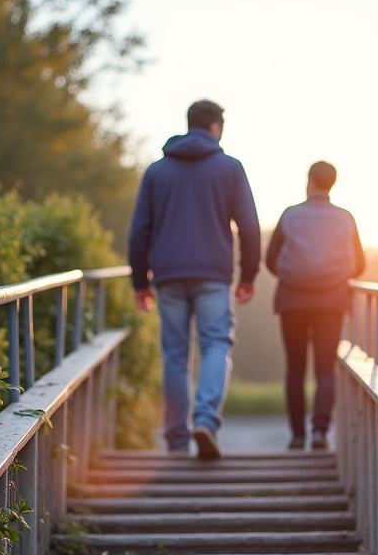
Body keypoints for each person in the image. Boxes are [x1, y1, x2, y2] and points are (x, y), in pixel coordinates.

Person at [128, 100, 261, 458]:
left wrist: (140, 281)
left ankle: (176, 439)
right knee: (216, 344)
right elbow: (249, 226)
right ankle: (204, 420)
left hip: (168, 275)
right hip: (213, 274)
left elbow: (140, 231)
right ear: (216, 127)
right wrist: (249, 274)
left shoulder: (157, 171)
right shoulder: (230, 168)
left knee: (175, 356)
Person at [265, 161, 365, 450]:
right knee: (324, 369)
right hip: (331, 303)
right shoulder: (345, 218)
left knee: (295, 368)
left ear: (309, 181)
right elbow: (359, 264)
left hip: (292, 301)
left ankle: (297, 436)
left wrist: (293, 275)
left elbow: (270, 260)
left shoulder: (290, 214)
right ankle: (320, 431)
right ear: (332, 184)